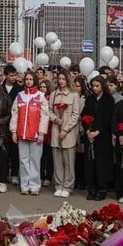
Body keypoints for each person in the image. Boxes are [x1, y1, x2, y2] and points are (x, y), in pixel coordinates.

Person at [10, 71, 50, 195]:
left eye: (30, 79)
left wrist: (42, 133)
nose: (28, 81)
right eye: (26, 79)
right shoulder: (19, 96)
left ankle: (34, 185)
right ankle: (24, 185)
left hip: (35, 134)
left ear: (34, 81)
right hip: (22, 133)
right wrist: (14, 131)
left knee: (35, 160)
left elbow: (45, 116)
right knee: (23, 160)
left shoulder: (40, 96)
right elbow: (14, 114)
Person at [49, 69, 81, 198]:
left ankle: (68, 186)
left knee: (68, 161)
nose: (61, 81)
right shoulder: (54, 94)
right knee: (57, 160)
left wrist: (66, 129)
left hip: (68, 132)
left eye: (63, 79)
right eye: (59, 79)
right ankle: (59, 184)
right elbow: (49, 111)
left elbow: (75, 114)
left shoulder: (74, 95)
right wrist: (55, 119)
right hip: (56, 129)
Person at [81, 75, 114, 201]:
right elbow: (84, 115)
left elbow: (109, 118)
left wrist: (98, 131)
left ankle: (102, 188)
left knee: (102, 162)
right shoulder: (90, 99)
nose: (95, 88)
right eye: (93, 86)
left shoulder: (108, 100)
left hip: (102, 136)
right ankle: (91, 187)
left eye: (97, 86)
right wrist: (88, 130)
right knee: (90, 161)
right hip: (90, 134)